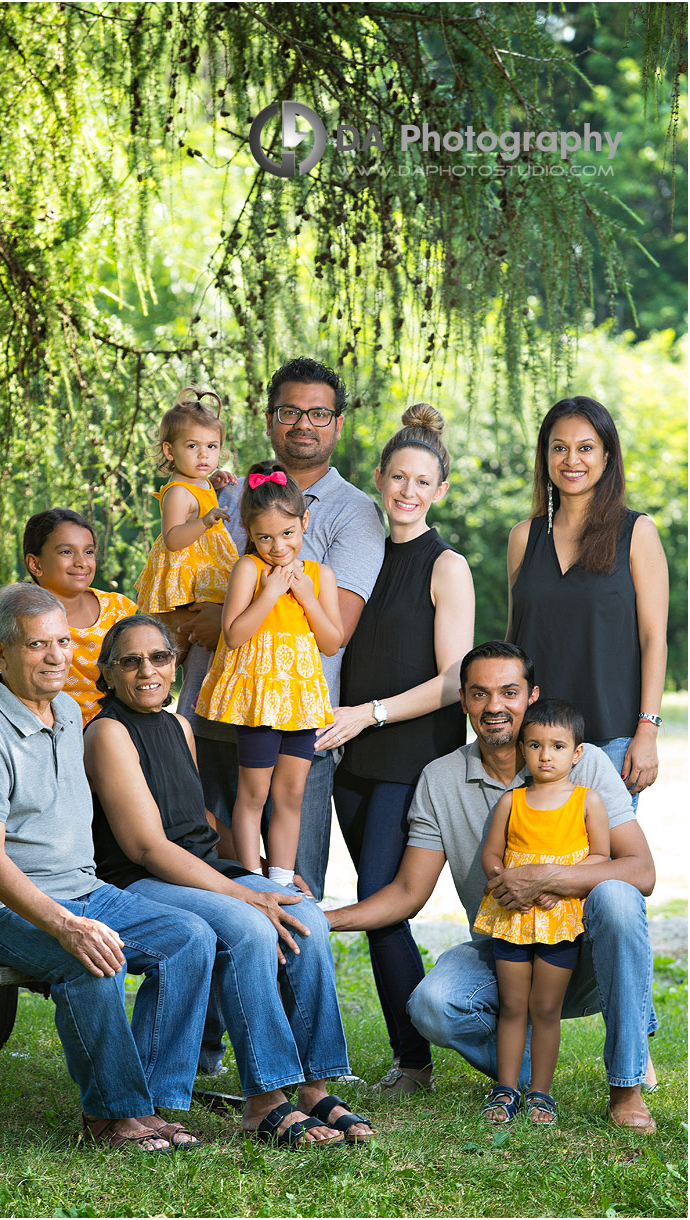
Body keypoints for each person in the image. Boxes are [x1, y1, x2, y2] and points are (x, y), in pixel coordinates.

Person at [326, 642, 658, 1134]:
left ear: (532, 696)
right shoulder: (440, 779)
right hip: (506, 954)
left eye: (509, 692)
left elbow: (641, 871)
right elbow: (407, 892)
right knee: (433, 1005)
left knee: (617, 897)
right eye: (479, 694)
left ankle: (626, 1086)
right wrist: (326, 918)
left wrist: (549, 877)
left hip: (586, 951)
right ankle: (527, 1081)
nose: (494, 706)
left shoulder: (581, 764)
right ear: (463, 700)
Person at [0, 584, 214, 1152]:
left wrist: (78, 909)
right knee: (86, 958)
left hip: (79, 889)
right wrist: (65, 924)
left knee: (190, 937)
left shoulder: (66, 709)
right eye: (38, 646)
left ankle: (153, 1105)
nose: (57, 656)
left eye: (63, 641)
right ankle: (111, 1117)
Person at [84, 614, 375, 1147]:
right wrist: (246, 894)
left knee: (304, 913)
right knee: (249, 925)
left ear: (175, 665)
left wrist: (261, 870)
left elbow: (195, 820)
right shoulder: (107, 732)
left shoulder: (179, 727)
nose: (147, 670)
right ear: (107, 671)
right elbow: (147, 846)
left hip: (197, 868)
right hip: (140, 882)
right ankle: (264, 1098)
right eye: (130, 660)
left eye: (160, 657)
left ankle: (312, 1084)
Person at [169, 357, 385, 902]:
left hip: (297, 717)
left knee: (294, 891)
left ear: (337, 423)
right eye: (290, 411)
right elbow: (180, 571)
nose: (303, 424)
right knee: (212, 894)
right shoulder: (226, 492)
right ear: (269, 420)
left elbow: (337, 626)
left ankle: (296, 988)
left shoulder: (356, 513)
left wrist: (219, 617)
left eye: (319, 413)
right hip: (210, 712)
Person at [313, 403, 474, 1096]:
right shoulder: (364, 556)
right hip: (351, 756)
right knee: (376, 904)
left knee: (383, 902)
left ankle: (412, 1062)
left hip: (410, 758)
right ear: (378, 479)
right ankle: (407, 1058)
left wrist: (367, 715)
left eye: (421, 481)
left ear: (440, 489)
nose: (406, 491)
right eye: (396, 478)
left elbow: (452, 680)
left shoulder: (447, 566)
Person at [507, 396, 669, 811]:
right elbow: (515, 641)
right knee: (536, 869)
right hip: (534, 742)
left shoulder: (637, 532)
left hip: (612, 742)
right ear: (545, 456)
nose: (571, 459)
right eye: (559, 447)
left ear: (607, 455)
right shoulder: (524, 538)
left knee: (605, 872)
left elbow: (654, 639)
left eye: (585, 447)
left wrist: (646, 733)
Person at [196, 461, 342, 886]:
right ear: (248, 532)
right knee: (254, 793)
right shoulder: (249, 570)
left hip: (300, 703)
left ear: (304, 522)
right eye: (264, 537)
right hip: (260, 702)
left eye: (287, 534)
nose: (277, 547)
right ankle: (250, 878)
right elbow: (234, 633)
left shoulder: (320, 575)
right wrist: (272, 592)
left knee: (291, 794)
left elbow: (331, 642)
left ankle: (279, 878)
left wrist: (306, 597)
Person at [473, 699, 610, 1126]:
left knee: (546, 1008)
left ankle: (541, 1093)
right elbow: (492, 856)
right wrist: (505, 881)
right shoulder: (511, 802)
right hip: (512, 916)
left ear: (577, 752)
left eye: (556, 746)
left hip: (560, 916)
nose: (544, 756)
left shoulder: (588, 802)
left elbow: (602, 857)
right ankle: (506, 1089)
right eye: (533, 745)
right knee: (513, 1005)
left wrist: (553, 880)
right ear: (522, 749)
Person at [0, 508, 138, 727]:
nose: (81, 562)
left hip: (115, 731)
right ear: (35, 564)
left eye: (89, 552)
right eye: (66, 552)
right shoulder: (17, 616)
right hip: (41, 730)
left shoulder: (118, 610)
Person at [134, 386, 238, 635]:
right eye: (192, 446)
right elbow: (172, 539)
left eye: (212, 447)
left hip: (200, 571)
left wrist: (213, 484)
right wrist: (204, 521)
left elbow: (199, 497)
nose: (204, 454)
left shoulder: (198, 481)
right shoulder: (178, 493)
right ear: (170, 451)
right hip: (184, 579)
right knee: (178, 637)